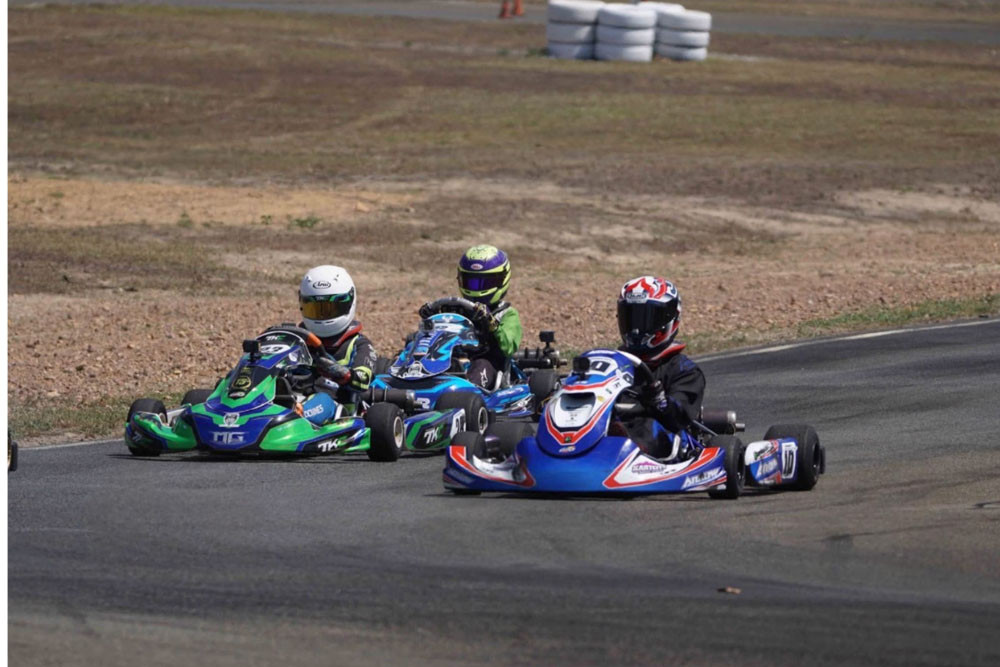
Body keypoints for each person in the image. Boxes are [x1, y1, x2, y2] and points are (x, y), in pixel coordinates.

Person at [616, 275, 706, 459]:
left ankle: (622, 449)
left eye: (645, 319)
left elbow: (680, 417)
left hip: (662, 437)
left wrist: (660, 401)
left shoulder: (684, 370)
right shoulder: (614, 362)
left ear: (670, 319)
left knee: (646, 426)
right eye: (631, 318)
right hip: (612, 426)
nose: (636, 329)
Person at [418, 245, 522, 391]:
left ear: (502, 280)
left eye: (485, 283)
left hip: (487, 362)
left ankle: (464, 392)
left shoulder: (507, 314)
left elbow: (508, 347)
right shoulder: (456, 310)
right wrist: (432, 317)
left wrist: (492, 323)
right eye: (471, 282)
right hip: (448, 358)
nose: (476, 290)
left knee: (480, 367)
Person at [296, 265, 377, 425]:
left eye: (329, 309)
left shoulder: (359, 344)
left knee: (322, 400)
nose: (322, 316)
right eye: (315, 309)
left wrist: (339, 372)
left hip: (334, 401)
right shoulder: (298, 339)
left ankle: (297, 416)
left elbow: (363, 379)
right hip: (295, 393)